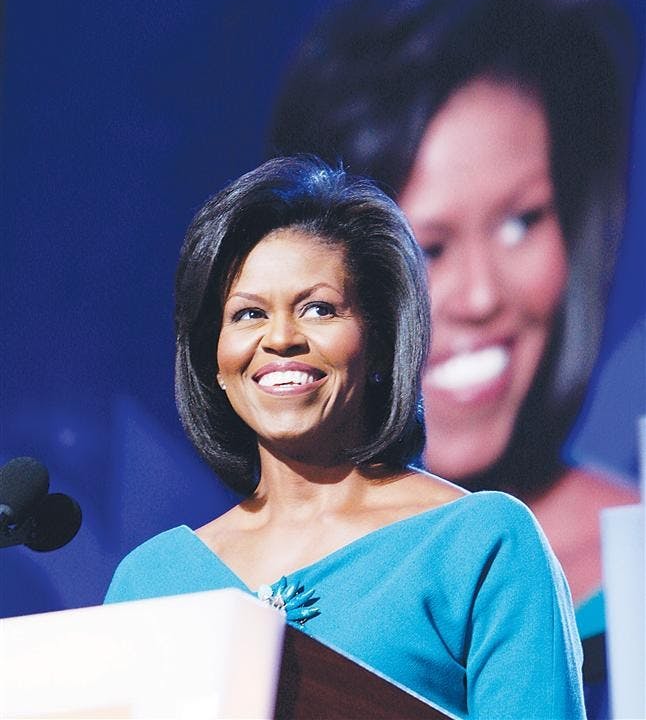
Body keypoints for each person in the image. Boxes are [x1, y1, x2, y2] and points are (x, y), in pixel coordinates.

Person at [267, 0, 639, 707]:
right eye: (426, 249)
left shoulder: (630, 563)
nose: (478, 296)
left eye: (520, 223)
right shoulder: (246, 583)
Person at [106, 157, 584, 719]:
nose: (281, 338)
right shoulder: (151, 579)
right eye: (247, 314)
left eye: (318, 308)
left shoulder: (480, 544)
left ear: (380, 343)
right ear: (213, 359)